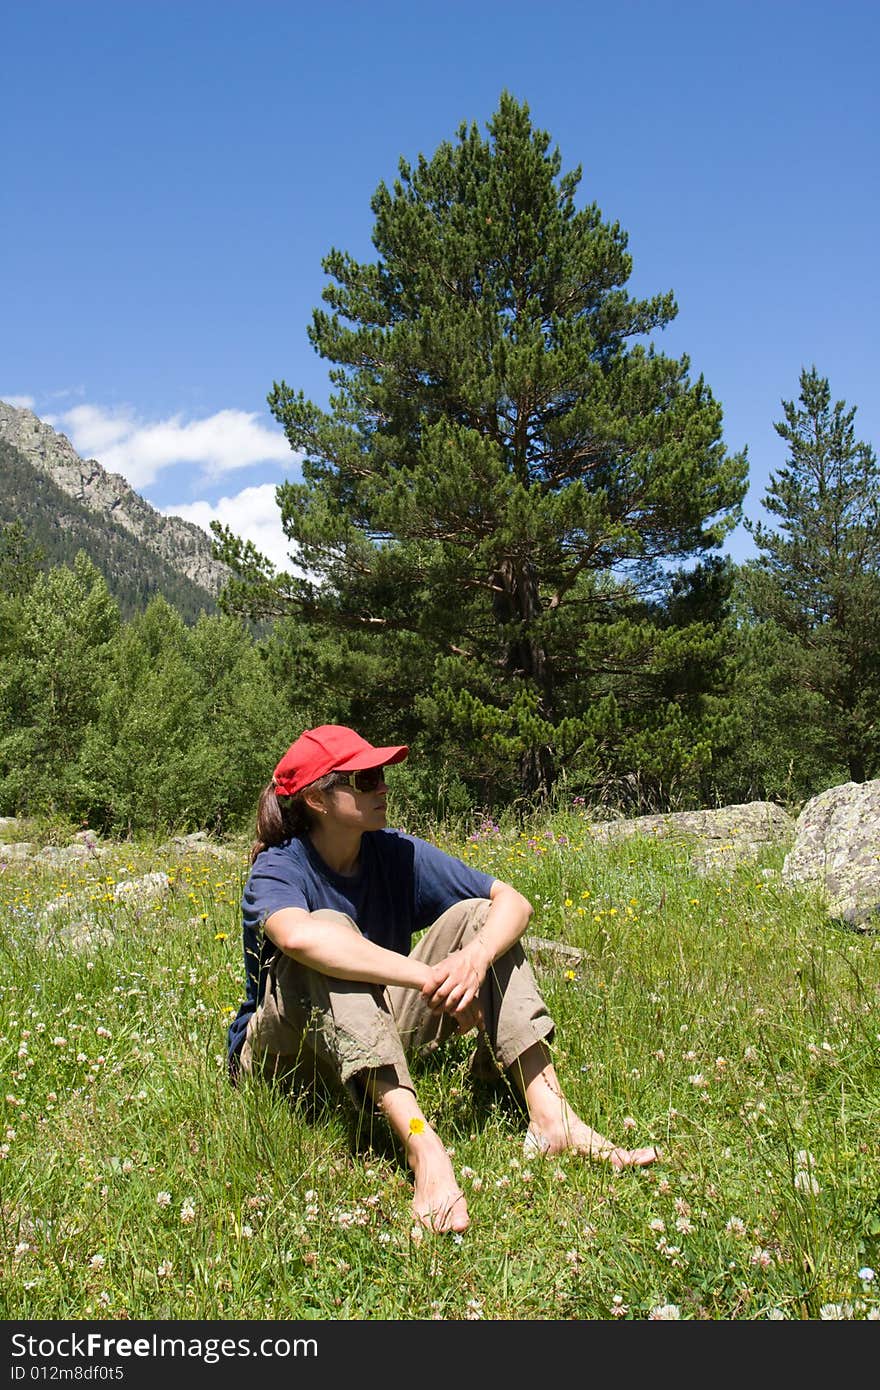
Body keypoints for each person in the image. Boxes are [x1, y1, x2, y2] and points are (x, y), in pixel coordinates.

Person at [228, 724, 658, 1233]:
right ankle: (423, 1146)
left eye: (382, 773)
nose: (383, 786)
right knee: (329, 935)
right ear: (318, 799)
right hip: (288, 1060)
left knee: (481, 917)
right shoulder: (277, 868)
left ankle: (552, 1118)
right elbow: (301, 939)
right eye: (365, 778)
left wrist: (474, 959)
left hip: (369, 1031)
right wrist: (428, 976)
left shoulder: (393, 852)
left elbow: (513, 902)